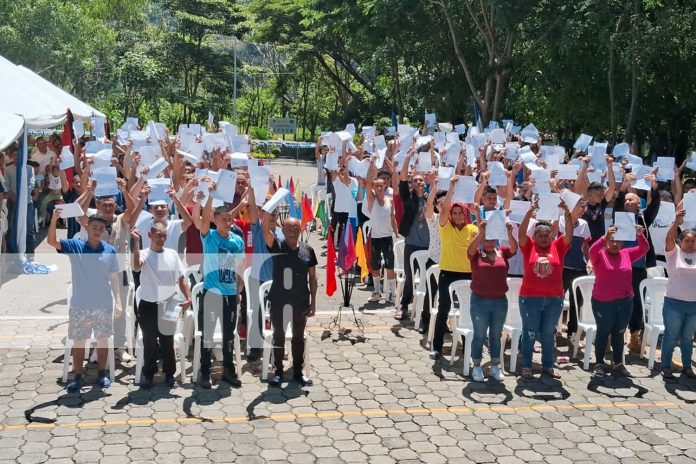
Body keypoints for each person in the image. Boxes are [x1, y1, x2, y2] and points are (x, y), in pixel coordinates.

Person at [47, 212, 122, 391]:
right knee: (79, 341)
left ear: (105, 231)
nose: (97, 231)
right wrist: (53, 221)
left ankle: (102, 373)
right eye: (94, 227)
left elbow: (113, 278)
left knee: (103, 340)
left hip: (103, 303)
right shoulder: (75, 246)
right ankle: (78, 375)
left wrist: (118, 301)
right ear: (87, 228)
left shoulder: (110, 250)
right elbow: (52, 242)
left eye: (101, 229)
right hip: (80, 304)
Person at [194, 185, 245, 389]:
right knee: (207, 335)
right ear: (216, 221)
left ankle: (228, 371)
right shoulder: (209, 237)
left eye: (230, 219)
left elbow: (240, 265)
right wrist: (210, 196)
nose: (228, 222)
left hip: (230, 294)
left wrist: (239, 287)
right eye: (223, 219)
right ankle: (205, 373)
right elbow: (204, 218)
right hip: (211, 293)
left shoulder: (237, 240)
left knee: (228, 336)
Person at [131, 223, 192, 388]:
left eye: (164, 235)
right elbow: (136, 266)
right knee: (150, 341)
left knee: (167, 341)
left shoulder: (172, 254)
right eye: (158, 235)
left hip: (169, 303)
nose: (161, 239)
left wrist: (188, 297)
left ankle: (169, 375)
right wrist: (135, 243)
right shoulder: (143, 253)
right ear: (150, 236)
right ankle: (149, 374)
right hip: (148, 305)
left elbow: (181, 278)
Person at [517, 199, 573, 379]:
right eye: (539, 235)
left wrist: (567, 214)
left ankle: (548, 365)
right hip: (530, 297)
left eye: (546, 235)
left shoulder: (558, 247)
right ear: (534, 237)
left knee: (549, 333)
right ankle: (526, 365)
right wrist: (529, 213)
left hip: (554, 299)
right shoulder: (529, 247)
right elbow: (521, 234)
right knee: (530, 332)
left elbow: (569, 236)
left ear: (552, 236)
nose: (543, 238)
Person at [262, 215, 318, 387]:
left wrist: (313, 302)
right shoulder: (277, 245)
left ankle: (297, 372)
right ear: (283, 231)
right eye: (289, 229)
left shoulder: (308, 250)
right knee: (278, 337)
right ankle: (278, 372)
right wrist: (270, 213)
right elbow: (265, 229)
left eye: (296, 229)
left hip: (300, 301)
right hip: (279, 301)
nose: (293, 232)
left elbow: (313, 277)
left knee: (298, 338)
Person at [587, 225, 649, 377]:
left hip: (624, 302)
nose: (614, 244)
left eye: (618, 241)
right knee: (603, 331)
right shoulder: (599, 255)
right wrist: (604, 237)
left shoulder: (627, 253)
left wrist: (640, 235)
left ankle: (618, 363)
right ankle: (599, 363)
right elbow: (592, 250)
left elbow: (644, 248)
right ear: (607, 241)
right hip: (603, 301)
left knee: (619, 332)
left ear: (623, 243)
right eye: (611, 241)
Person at [429, 176, 478, 360]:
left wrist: (478, 213)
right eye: (454, 212)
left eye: (460, 212)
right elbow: (445, 208)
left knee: (467, 311)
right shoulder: (445, 227)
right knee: (444, 310)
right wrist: (451, 187)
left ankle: (468, 348)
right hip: (447, 274)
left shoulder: (472, 229)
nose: (457, 215)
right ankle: (437, 347)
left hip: (468, 275)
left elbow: (482, 232)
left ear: (466, 213)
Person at [466, 216, 518, 381]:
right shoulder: (477, 254)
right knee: (479, 335)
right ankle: (476, 366)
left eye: (492, 240)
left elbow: (515, 249)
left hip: (499, 301)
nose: (489, 243)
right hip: (480, 301)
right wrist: (480, 232)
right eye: (486, 240)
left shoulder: (502, 252)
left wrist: (509, 233)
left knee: (496, 335)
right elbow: (470, 249)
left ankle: (495, 366)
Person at [614, 171, 660, 352]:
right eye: (626, 200)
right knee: (616, 298)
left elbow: (654, 204)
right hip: (619, 264)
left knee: (637, 302)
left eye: (631, 200)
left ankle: (634, 335)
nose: (627, 202)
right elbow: (617, 201)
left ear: (638, 204)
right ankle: (615, 333)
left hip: (639, 266)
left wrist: (654, 185)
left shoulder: (644, 218)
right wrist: (624, 185)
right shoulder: (619, 215)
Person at [661, 208, 696, 379]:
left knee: (687, 338)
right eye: (687, 240)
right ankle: (666, 366)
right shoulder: (674, 254)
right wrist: (676, 222)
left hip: (694, 305)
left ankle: (687, 366)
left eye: (693, 241)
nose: (690, 243)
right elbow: (669, 238)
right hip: (674, 303)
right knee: (670, 336)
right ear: (680, 242)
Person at [397, 149, 430, 320]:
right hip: (412, 244)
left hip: (430, 246)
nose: (418, 182)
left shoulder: (431, 198)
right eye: (415, 180)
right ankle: (404, 306)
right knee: (410, 277)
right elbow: (402, 179)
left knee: (431, 280)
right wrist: (408, 157)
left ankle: (429, 311)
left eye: (421, 180)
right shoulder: (408, 198)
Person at [365, 158, 398, 302]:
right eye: (376, 186)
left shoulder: (389, 202)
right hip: (375, 238)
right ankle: (377, 292)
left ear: (385, 186)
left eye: (381, 185)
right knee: (376, 265)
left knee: (390, 265)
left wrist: (396, 233)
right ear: (373, 187)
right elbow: (367, 183)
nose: (379, 188)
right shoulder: (371, 200)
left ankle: (392, 294)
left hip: (387, 238)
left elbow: (393, 218)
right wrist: (372, 165)